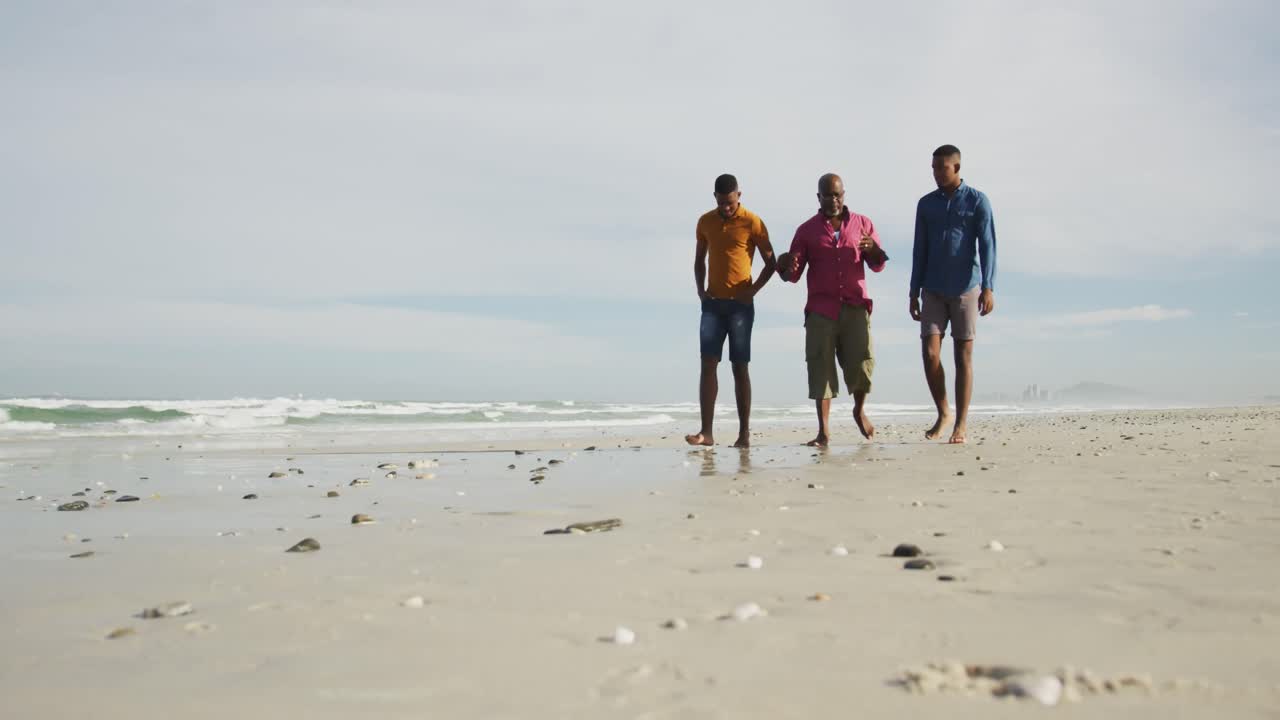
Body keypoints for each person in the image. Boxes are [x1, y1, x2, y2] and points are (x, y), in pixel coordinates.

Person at [777, 173, 887, 446]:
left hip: (855, 305)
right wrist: (783, 265)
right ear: (819, 197)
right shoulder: (806, 231)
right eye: (828, 195)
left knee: (862, 362)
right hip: (821, 309)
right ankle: (823, 432)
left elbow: (878, 264)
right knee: (820, 367)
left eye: (838, 195)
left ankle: (859, 410)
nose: (834, 200)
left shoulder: (862, 224)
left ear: (844, 195)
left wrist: (872, 248)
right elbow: (793, 274)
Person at [909, 144, 998, 444]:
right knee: (930, 353)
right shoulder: (926, 204)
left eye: (942, 168)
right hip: (932, 288)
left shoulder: (977, 201)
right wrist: (913, 291)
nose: (936, 173)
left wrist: (989, 287)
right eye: (933, 168)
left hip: (966, 288)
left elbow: (987, 246)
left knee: (963, 356)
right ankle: (943, 411)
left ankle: (960, 423)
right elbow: (919, 249)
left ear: (957, 168)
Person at [685, 174, 776, 448]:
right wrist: (701, 291)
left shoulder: (753, 221)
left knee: (740, 367)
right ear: (715, 198)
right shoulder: (705, 222)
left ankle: (744, 434)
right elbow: (699, 259)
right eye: (721, 202)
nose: (726, 207)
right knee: (708, 364)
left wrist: (753, 290)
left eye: (730, 202)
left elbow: (770, 262)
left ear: (739, 195)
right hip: (712, 305)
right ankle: (707, 433)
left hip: (740, 306)